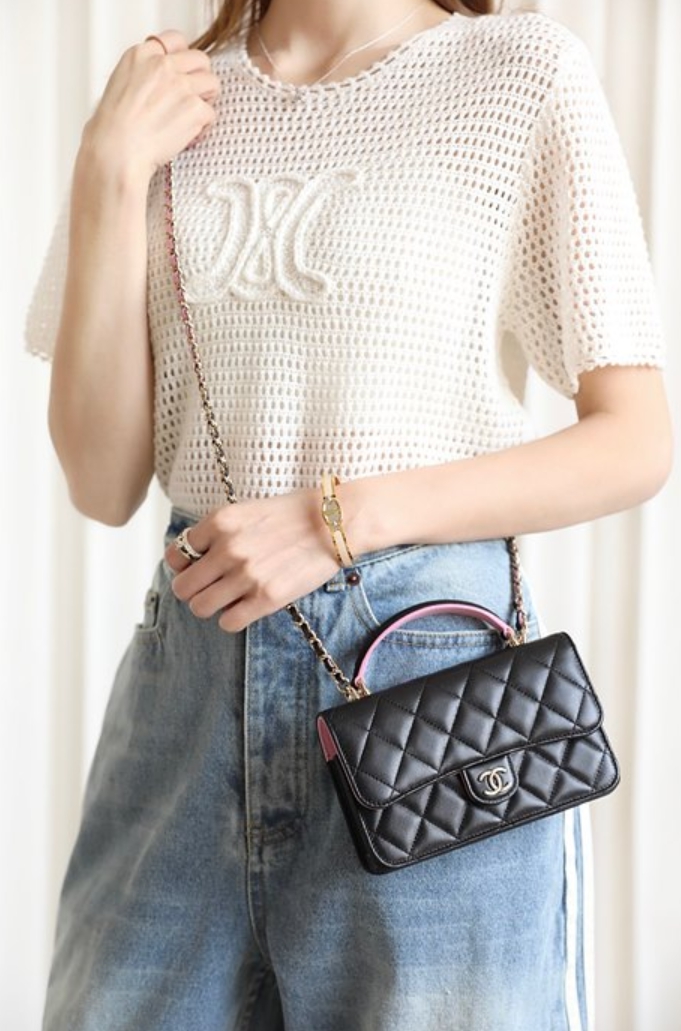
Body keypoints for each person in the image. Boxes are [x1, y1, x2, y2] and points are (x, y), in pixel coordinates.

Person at [25, 0, 672, 1028]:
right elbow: (101, 482)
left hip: (427, 688)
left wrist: (339, 517)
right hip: (185, 695)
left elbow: (634, 442)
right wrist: (110, 168)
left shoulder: (516, 74)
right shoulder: (163, 94)